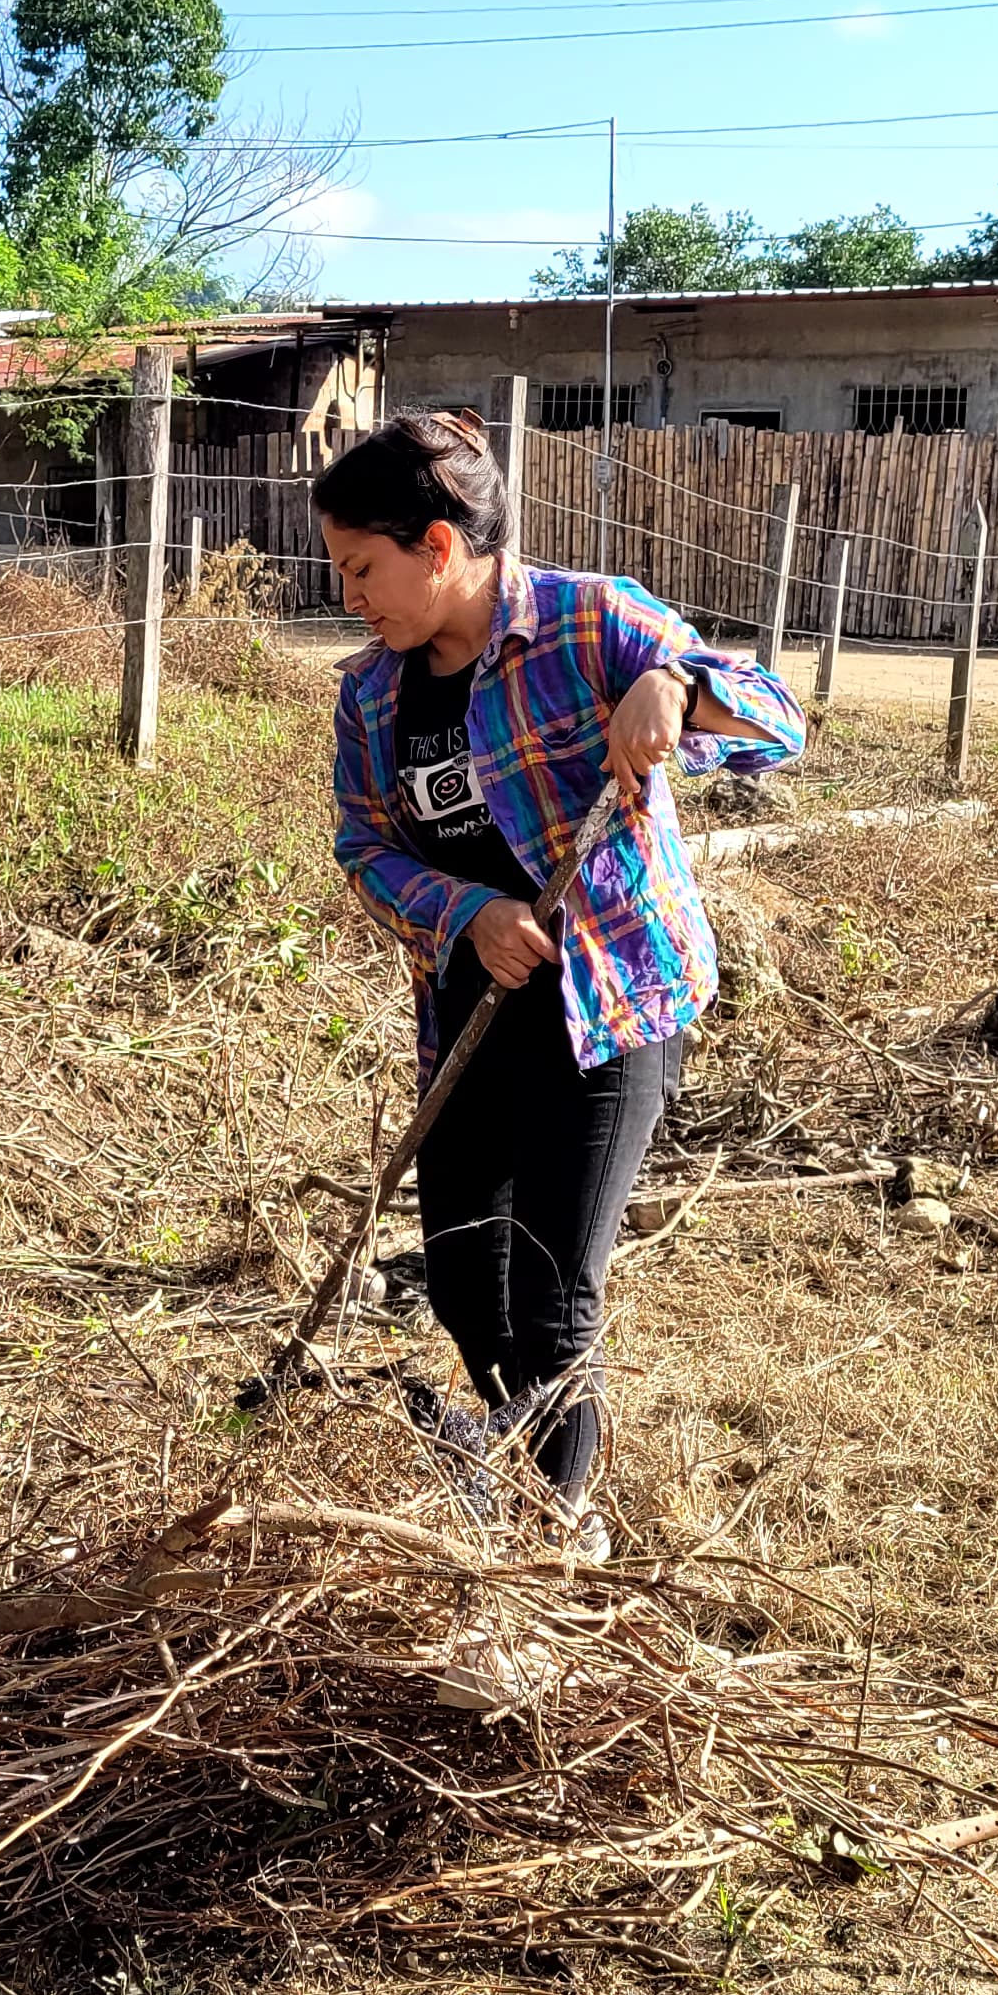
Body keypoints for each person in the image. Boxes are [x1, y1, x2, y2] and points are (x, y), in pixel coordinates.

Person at [315, 410, 802, 1535]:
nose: (352, 596)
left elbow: (779, 722)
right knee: (460, 1274)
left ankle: (558, 1526)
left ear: (440, 545)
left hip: (610, 1002)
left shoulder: (592, 621)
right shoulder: (372, 694)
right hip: (471, 1004)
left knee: (551, 1288)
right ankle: (514, 1451)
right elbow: (364, 847)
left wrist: (676, 687)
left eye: (363, 568)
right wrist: (471, 912)